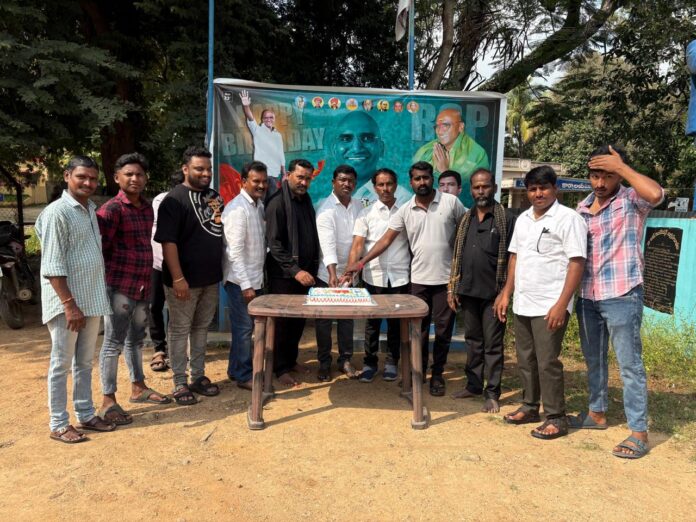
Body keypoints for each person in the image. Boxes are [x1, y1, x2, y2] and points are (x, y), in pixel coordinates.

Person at [572, 145, 663, 459]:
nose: (600, 183)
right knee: (594, 360)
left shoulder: (631, 200)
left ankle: (638, 432)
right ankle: (596, 413)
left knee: (629, 365)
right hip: (588, 296)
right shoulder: (581, 208)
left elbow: (656, 194)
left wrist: (621, 167)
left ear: (618, 175)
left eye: (607, 176)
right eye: (595, 176)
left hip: (623, 294)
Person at [345, 161, 465, 396]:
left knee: (441, 331)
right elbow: (384, 240)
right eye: (417, 178)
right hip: (411, 279)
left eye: (425, 177)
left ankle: (436, 375)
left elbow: (465, 229)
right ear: (411, 182)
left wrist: (462, 269)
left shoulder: (450, 203)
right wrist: (359, 263)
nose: (422, 182)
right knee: (414, 330)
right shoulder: (403, 210)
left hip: (435, 279)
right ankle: (415, 372)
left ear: (431, 178)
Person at [494, 166, 587, 440]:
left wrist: (562, 304)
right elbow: (515, 257)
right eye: (532, 189)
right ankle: (530, 406)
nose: (538, 194)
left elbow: (577, 262)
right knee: (526, 358)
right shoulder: (523, 219)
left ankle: (556, 417)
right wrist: (506, 293)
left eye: (543, 188)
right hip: (524, 301)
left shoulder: (569, 219)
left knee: (547, 361)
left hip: (550, 304)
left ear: (555, 188)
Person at [35, 156, 116, 443]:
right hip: (67, 303)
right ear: (67, 175)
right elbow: (52, 265)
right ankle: (59, 423)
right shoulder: (57, 213)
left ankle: (85, 413)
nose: (88, 183)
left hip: (91, 299)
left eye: (93, 178)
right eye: (82, 177)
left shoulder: (89, 209)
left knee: (83, 362)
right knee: (61, 364)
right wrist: (69, 305)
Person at [96, 153, 171, 425]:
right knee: (112, 342)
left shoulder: (147, 208)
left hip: (142, 285)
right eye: (128, 174)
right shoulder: (110, 210)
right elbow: (100, 250)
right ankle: (108, 400)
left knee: (136, 339)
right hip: (119, 286)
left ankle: (138, 387)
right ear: (117, 178)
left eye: (139, 174)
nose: (134, 178)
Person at [154, 146, 225, 406]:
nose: (205, 173)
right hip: (183, 281)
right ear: (185, 169)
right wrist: (178, 278)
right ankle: (179, 382)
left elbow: (217, 230)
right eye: (199, 169)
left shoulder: (214, 197)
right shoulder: (173, 200)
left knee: (201, 327)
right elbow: (168, 242)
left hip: (210, 278)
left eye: (208, 169)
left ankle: (197, 376)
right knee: (179, 329)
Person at [448, 169, 516, 413]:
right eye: (476, 187)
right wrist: (453, 287)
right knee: (473, 341)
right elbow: (457, 255)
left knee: (493, 345)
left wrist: (505, 293)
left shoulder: (506, 219)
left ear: (494, 188)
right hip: (467, 292)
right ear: (471, 190)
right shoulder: (465, 220)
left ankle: (492, 393)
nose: (481, 191)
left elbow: (514, 257)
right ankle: (474, 385)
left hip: (494, 295)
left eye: (485, 186)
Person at [346, 168, 411, 383]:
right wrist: (351, 268)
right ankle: (370, 363)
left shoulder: (405, 212)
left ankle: (392, 363)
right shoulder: (366, 214)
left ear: (396, 185)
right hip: (373, 276)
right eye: (381, 185)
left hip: (400, 276)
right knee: (372, 323)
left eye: (389, 184)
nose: (385, 188)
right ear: (374, 188)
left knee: (395, 323)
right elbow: (357, 244)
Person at [266, 158, 320, 387]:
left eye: (307, 178)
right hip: (284, 276)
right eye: (300, 177)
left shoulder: (305, 200)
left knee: (297, 322)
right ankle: (279, 369)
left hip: (304, 275)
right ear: (288, 175)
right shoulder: (277, 203)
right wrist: (295, 270)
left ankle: (290, 360)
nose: (304, 182)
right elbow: (274, 244)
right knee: (282, 324)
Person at [221, 161, 268, 391]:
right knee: (244, 329)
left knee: (244, 328)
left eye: (264, 181)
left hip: (255, 279)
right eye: (256, 181)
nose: (261, 185)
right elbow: (234, 253)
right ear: (243, 182)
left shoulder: (258, 206)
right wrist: (246, 285)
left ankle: (235, 369)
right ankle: (243, 375)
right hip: (241, 282)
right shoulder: (237, 209)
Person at [315, 165, 362, 381]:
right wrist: (332, 274)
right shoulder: (325, 208)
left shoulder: (359, 206)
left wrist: (351, 271)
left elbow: (359, 241)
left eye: (350, 180)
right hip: (327, 275)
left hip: (349, 275)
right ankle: (324, 363)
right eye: (342, 179)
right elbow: (327, 243)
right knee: (324, 321)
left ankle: (345, 360)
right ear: (333, 182)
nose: (346, 184)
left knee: (346, 320)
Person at [412, 108, 489, 207]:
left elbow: (471, 193)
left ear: (460, 127)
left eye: (445, 125)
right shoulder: (425, 151)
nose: (439, 132)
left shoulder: (477, 154)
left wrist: (444, 171)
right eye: (437, 126)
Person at [332, 111, 410, 206]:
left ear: (381, 148)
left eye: (367, 138)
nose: (356, 148)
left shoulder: (401, 199)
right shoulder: (321, 204)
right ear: (334, 150)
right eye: (346, 139)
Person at [148, 170, 184, 372]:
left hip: (179, 265)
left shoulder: (192, 202)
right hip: (157, 263)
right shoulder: (161, 200)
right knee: (155, 305)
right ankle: (159, 348)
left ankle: (176, 350)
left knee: (177, 308)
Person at [239, 89, 286, 199]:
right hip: (261, 174)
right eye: (266, 117)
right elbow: (250, 117)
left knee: (273, 203)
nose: (268, 119)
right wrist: (246, 106)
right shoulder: (257, 130)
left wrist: (284, 173)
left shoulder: (278, 135)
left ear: (274, 119)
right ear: (262, 119)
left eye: (271, 117)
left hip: (275, 176)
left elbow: (281, 154)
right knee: (261, 202)